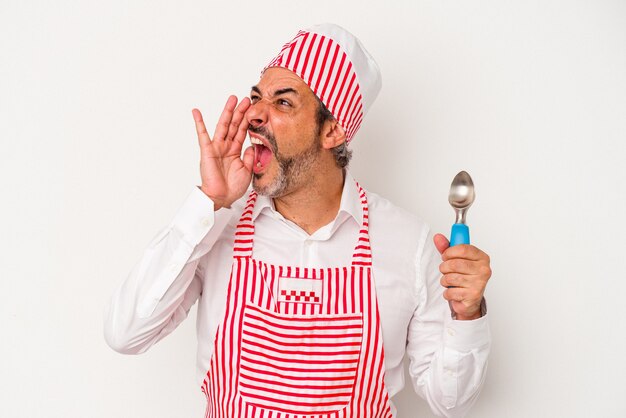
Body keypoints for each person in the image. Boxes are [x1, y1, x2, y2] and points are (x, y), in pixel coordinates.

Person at [104, 23, 492, 418]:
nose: (253, 114)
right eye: (257, 98)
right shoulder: (217, 226)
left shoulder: (408, 243)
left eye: (283, 103)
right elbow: (126, 334)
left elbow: (451, 402)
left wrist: (467, 316)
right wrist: (208, 202)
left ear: (333, 130)